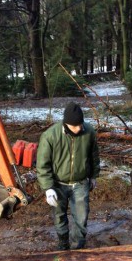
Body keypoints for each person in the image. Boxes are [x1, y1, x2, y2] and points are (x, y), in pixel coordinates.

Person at [36, 102, 100, 250]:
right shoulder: (50, 136)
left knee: (81, 217)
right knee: (59, 216)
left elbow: (94, 156)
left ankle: (78, 247)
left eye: (80, 125)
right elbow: (42, 164)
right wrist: (48, 188)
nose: (78, 129)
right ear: (66, 123)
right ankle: (63, 244)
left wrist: (94, 176)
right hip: (59, 184)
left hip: (80, 183)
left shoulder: (88, 132)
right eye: (74, 126)